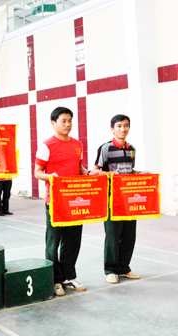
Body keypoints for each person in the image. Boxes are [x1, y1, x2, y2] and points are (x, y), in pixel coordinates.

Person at [34, 107, 94, 296]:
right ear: (53, 123)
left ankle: (69, 276)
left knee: (73, 241)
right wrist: (49, 176)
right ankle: (54, 280)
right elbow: (37, 172)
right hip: (55, 201)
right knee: (53, 242)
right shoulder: (46, 146)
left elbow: (79, 167)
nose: (68, 124)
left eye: (70, 121)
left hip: (75, 201)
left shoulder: (77, 144)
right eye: (63, 121)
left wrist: (90, 173)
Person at [92, 114, 147, 284]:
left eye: (126, 126)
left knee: (129, 234)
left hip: (128, 198)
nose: (123, 129)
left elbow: (129, 170)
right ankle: (110, 270)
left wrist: (141, 174)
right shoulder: (106, 148)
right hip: (111, 198)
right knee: (113, 235)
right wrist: (111, 175)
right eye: (119, 126)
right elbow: (96, 171)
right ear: (112, 129)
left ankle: (124, 268)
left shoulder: (132, 149)